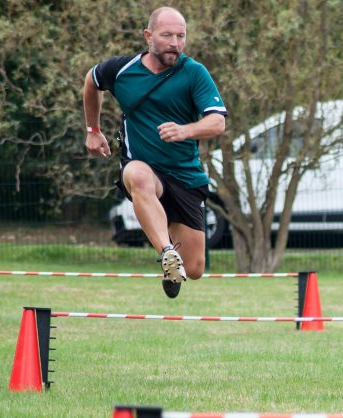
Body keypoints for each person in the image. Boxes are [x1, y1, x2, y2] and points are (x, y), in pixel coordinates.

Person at [83, 6, 227, 298]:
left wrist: (185, 130)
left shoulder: (194, 73)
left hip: (185, 175)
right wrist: (93, 130)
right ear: (148, 36)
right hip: (145, 168)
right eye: (167, 35)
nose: (175, 43)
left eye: (181, 36)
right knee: (136, 174)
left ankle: (174, 265)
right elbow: (91, 81)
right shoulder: (121, 70)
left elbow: (217, 122)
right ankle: (166, 254)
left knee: (195, 268)